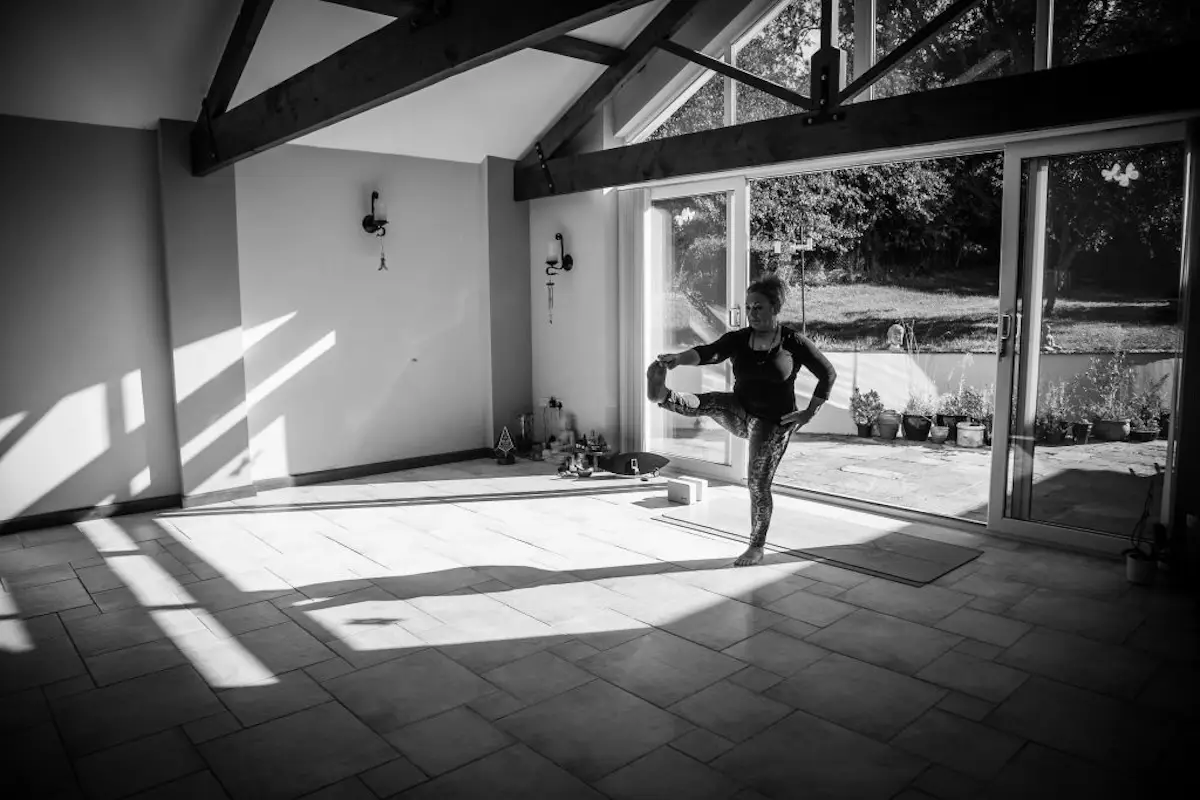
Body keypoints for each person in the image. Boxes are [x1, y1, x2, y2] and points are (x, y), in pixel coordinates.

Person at [646, 273, 837, 567]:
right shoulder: (739, 339)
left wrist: (809, 413)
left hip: (773, 423)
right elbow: (709, 353)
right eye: (748, 307)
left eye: (758, 307)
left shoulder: (793, 342)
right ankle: (663, 395)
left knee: (757, 485)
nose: (752, 313)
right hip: (739, 410)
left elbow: (828, 374)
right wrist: (677, 359)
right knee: (710, 401)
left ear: (775, 308)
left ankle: (756, 547)